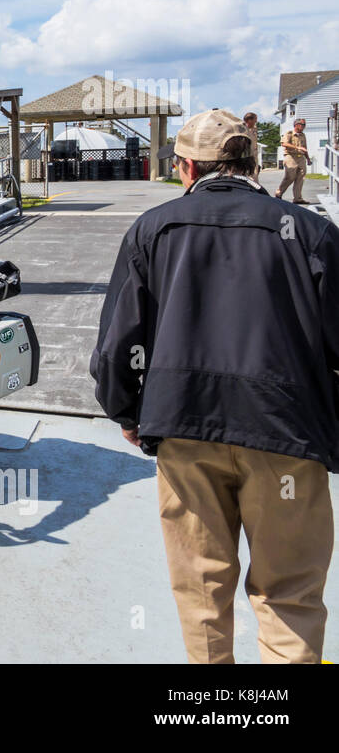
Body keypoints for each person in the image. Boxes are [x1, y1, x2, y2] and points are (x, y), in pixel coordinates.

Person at [90, 110, 339, 663]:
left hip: (182, 428)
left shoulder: (153, 229)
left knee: (201, 591)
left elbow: (118, 343)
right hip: (287, 432)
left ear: (185, 166)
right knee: (289, 593)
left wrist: (129, 412)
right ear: (255, 161)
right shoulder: (312, 232)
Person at [274, 116, 311, 204]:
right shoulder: (289, 133)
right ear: (297, 125)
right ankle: (278, 193)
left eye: (304, 124)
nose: (304, 126)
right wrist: (297, 147)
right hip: (291, 157)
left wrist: (308, 159)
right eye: (302, 124)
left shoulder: (303, 135)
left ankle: (298, 198)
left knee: (300, 178)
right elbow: (284, 144)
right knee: (290, 177)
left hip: (301, 158)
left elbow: (304, 148)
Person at [241, 110, 260, 181]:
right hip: (246, 157)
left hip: (254, 156)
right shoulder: (242, 130)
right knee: (249, 178)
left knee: (254, 177)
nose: (256, 121)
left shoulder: (254, 129)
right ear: (249, 120)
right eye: (255, 119)